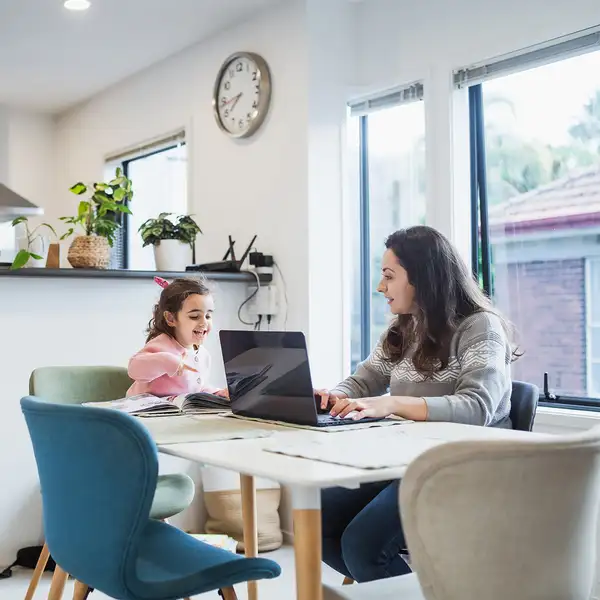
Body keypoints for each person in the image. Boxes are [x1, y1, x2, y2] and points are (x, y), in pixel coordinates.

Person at [315, 225, 520, 583]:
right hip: (406, 464)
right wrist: (334, 396)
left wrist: (391, 403)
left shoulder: (480, 327)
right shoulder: (403, 329)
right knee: (318, 518)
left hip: (462, 470)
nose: (381, 288)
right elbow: (363, 381)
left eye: (389, 277)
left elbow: (476, 408)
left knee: (364, 544)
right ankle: (407, 587)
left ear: (423, 278)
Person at [127, 277, 228, 398]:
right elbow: (133, 369)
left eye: (208, 316)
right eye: (195, 316)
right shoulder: (162, 344)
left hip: (175, 413)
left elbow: (196, 388)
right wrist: (166, 361)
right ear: (171, 318)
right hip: (144, 412)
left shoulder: (203, 355)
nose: (204, 323)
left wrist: (217, 393)